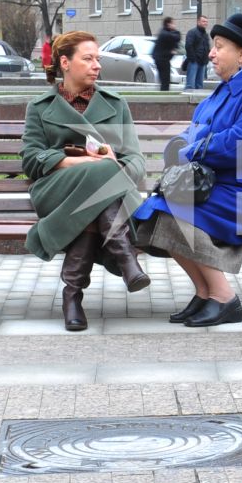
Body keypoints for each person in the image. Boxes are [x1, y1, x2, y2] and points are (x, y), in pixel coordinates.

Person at [131, 13, 242, 328]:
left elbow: (239, 144)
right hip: (223, 185)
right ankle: (205, 292)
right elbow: (195, 132)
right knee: (156, 210)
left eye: (219, 46)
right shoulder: (227, 88)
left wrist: (191, 149)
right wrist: (186, 146)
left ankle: (224, 297)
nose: (211, 53)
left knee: (171, 210)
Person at [22, 30, 152, 331]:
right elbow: (31, 160)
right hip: (56, 191)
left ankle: (72, 295)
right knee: (103, 175)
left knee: (99, 190)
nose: (97, 65)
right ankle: (126, 258)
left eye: (99, 59)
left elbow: (136, 162)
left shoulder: (115, 104)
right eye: (88, 58)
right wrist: (81, 161)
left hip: (104, 195)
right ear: (65, 63)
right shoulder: (40, 107)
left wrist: (110, 165)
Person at [183, 14, 211, 90]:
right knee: (190, 84)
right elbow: (188, 46)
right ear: (198, 22)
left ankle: (198, 101)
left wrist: (207, 59)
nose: (205, 23)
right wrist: (193, 58)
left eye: (206, 22)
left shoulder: (205, 34)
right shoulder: (192, 32)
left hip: (203, 62)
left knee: (200, 84)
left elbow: (207, 47)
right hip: (194, 61)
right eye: (203, 21)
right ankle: (187, 99)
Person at [152, 15, 180, 90]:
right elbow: (177, 37)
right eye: (173, 23)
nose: (174, 25)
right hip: (161, 59)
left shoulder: (167, 32)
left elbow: (176, 41)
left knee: (165, 79)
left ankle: (164, 91)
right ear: (168, 24)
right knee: (165, 79)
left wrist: (173, 50)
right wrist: (171, 52)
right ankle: (164, 93)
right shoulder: (164, 33)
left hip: (164, 59)